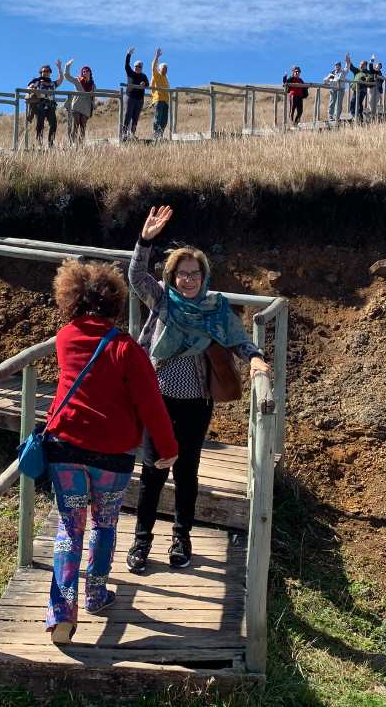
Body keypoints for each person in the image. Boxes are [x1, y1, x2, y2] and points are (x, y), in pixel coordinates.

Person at [43, 259, 179, 643]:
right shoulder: (127, 349)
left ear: (71, 298)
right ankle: (96, 594)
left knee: (70, 526)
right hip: (113, 456)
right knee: (103, 525)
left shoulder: (65, 337)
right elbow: (151, 404)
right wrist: (168, 449)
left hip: (65, 447)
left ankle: (60, 612)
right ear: (115, 302)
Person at [127, 205, 269, 571]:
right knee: (154, 470)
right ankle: (141, 541)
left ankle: (181, 537)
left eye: (194, 274)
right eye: (182, 274)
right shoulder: (160, 299)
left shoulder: (214, 308)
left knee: (187, 471)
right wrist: (145, 240)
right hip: (156, 399)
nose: (188, 280)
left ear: (204, 276)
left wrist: (254, 357)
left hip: (196, 403)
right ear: (172, 277)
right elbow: (136, 275)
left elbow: (238, 340)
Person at [25, 64, 62, 148]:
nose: (45, 73)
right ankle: (39, 143)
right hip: (39, 104)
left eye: (47, 71)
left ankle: (50, 144)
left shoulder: (52, 83)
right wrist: (33, 89)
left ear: (50, 72)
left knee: (53, 124)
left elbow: (61, 80)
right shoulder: (36, 81)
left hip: (50, 105)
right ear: (40, 72)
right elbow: (28, 88)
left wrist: (59, 68)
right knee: (40, 124)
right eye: (43, 71)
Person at [62, 59, 95, 144]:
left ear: (90, 73)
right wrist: (67, 66)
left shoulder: (93, 85)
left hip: (86, 108)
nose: (85, 72)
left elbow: (93, 97)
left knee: (83, 126)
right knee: (75, 124)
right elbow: (67, 76)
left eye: (87, 71)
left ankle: (81, 144)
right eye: (83, 71)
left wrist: (92, 107)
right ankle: (73, 143)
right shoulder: (78, 81)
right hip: (76, 106)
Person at [121, 47, 150, 140]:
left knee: (135, 117)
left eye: (139, 66)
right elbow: (126, 65)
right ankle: (124, 134)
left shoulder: (143, 76)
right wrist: (128, 54)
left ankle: (132, 134)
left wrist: (144, 83)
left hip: (139, 99)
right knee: (127, 115)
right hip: (130, 97)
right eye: (136, 66)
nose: (137, 67)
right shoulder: (130, 73)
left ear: (141, 68)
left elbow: (148, 84)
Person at [150, 48, 171, 141]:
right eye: (163, 68)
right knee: (158, 118)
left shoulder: (166, 78)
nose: (165, 70)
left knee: (164, 120)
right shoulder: (157, 75)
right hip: (158, 100)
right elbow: (153, 67)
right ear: (160, 69)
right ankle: (155, 135)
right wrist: (157, 57)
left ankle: (160, 135)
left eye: (166, 69)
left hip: (166, 101)